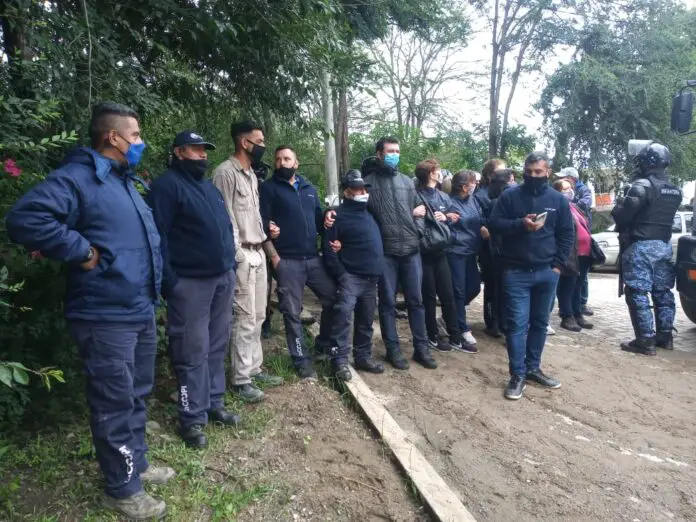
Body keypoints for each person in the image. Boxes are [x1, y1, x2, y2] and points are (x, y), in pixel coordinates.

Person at [5, 102, 171, 519]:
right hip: (104, 314)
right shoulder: (79, 178)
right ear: (112, 137)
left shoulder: (122, 181)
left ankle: (137, 465)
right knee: (114, 401)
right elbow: (26, 218)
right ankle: (122, 489)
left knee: (136, 393)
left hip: (138, 308)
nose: (140, 143)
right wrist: (81, 250)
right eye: (135, 135)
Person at [147, 131, 240, 449]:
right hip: (190, 283)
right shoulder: (166, 186)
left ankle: (214, 403)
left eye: (204, 150)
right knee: (191, 350)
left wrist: (231, 265)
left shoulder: (209, 188)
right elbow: (157, 236)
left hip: (222, 278)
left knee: (217, 344)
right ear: (178, 152)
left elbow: (224, 227)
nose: (203, 155)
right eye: (196, 150)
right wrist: (170, 280)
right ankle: (191, 417)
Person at [489, 151, 574, 401]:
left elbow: (566, 234)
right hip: (516, 272)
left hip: (547, 272)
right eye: (529, 171)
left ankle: (533, 368)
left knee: (540, 323)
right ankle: (517, 375)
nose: (533, 175)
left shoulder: (557, 200)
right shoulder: (510, 196)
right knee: (516, 325)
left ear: (548, 172)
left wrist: (557, 267)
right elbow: (493, 224)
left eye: (538, 172)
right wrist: (519, 224)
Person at [212, 121, 284, 401]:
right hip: (241, 253)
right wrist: (237, 255)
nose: (263, 146)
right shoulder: (225, 173)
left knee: (258, 316)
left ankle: (254, 369)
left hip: (258, 251)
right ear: (245, 142)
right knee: (243, 318)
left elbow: (253, 216)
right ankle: (241, 379)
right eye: (260, 141)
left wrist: (267, 241)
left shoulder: (252, 175)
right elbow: (224, 219)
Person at [260, 145, 339, 379]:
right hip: (287, 261)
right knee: (292, 312)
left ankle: (323, 344)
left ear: (296, 163)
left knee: (333, 298)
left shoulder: (309, 188)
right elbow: (261, 224)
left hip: (313, 259)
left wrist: (327, 216)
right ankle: (301, 361)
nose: (282, 163)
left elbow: (319, 219)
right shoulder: (268, 189)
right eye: (278, 159)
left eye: (287, 159)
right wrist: (275, 258)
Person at [357, 137, 436, 370]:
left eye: (397, 151)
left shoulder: (407, 182)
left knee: (416, 301)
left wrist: (418, 231)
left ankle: (421, 348)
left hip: (411, 250)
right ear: (379, 154)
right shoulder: (368, 184)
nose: (394, 155)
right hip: (385, 252)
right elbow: (359, 215)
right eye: (390, 151)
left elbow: (421, 211)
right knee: (388, 303)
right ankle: (392, 349)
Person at [612, 140, 682, 355]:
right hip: (664, 245)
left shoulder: (642, 186)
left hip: (641, 246)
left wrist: (621, 201)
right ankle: (665, 337)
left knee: (637, 291)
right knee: (663, 292)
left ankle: (645, 340)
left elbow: (621, 215)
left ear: (648, 162)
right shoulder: (675, 190)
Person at [323, 170, 386, 379]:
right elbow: (328, 250)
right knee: (343, 318)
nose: (362, 193)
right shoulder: (337, 216)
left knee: (366, 320)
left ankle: (362, 357)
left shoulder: (371, 212)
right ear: (347, 192)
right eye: (357, 189)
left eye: (364, 189)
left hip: (371, 278)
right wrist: (342, 274)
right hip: (351, 277)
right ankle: (339, 360)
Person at [413, 159, 465, 352]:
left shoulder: (443, 196)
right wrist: (414, 214)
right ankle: (432, 335)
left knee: (447, 294)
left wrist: (447, 217)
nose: (440, 173)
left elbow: (453, 216)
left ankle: (455, 335)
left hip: (441, 251)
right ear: (430, 174)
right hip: (424, 251)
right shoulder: (415, 195)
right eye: (437, 170)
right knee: (428, 296)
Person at [446, 170, 485, 350]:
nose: (475, 185)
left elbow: (480, 219)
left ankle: (451, 315)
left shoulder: (473, 200)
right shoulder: (449, 202)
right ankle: (461, 327)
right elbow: (445, 226)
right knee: (459, 291)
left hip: (471, 251)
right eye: (473, 182)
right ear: (464, 186)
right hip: (455, 251)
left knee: (474, 287)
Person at [551, 179, 594, 333]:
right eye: (565, 189)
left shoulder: (575, 207)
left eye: (570, 188)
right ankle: (567, 315)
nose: (569, 191)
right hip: (569, 253)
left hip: (583, 254)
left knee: (578, 285)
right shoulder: (558, 208)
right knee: (567, 286)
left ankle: (577, 313)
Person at [480, 168, 516, 337]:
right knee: (501, 289)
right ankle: (500, 323)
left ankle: (495, 323)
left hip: (494, 252)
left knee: (494, 289)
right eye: (513, 180)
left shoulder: (492, 200)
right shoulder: (504, 201)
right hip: (501, 252)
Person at [475, 159, 506, 336]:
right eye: (499, 172)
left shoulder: (507, 192)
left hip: (504, 246)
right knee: (492, 284)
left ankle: (502, 320)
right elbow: (479, 219)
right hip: (489, 246)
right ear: (489, 175)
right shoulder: (481, 195)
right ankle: (492, 321)